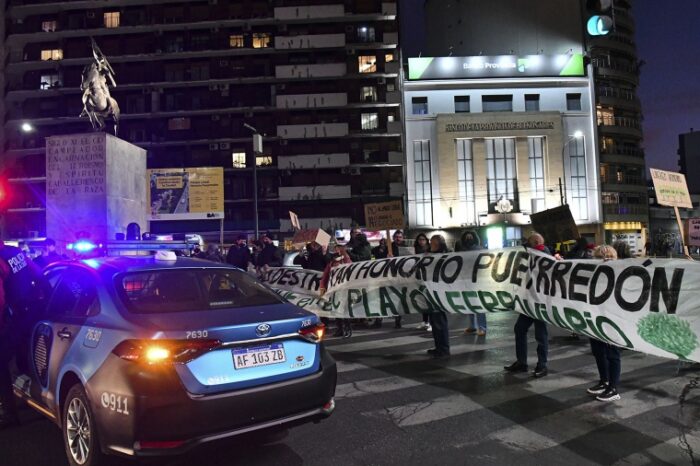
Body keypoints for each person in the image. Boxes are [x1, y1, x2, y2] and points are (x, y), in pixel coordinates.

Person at [0, 238, 48, 429]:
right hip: (36, 310)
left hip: (18, 314)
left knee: (1, 361)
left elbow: (1, 300)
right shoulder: (16, 252)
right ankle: (37, 397)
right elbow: (39, 274)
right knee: (28, 353)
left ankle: (10, 414)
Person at [504, 233, 550, 377]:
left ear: (535, 242)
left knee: (541, 335)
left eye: (528, 243)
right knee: (520, 329)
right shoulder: (534, 255)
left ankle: (542, 365)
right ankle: (522, 362)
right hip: (529, 301)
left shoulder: (544, 256)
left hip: (540, 302)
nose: (526, 246)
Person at [587, 245, 623, 402]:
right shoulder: (595, 273)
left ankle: (613, 388)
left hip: (612, 320)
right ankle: (605, 381)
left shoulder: (619, 273)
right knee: (598, 351)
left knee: (612, 354)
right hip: (596, 319)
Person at [457, 230, 487, 337]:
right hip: (466, 280)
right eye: (467, 237)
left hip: (477, 280)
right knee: (469, 303)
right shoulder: (462, 250)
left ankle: (482, 327)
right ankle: (472, 326)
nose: (468, 239)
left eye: (470, 237)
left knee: (478, 304)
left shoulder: (479, 249)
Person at [320, 244, 353, 338]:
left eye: (339, 250)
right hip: (334, 290)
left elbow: (350, 266)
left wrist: (344, 254)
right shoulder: (331, 263)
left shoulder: (346, 260)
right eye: (336, 250)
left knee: (344, 310)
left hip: (344, 289)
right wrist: (323, 287)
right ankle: (340, 329)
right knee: (336, 310)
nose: (337, 251)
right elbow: (325, 276)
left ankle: (347, 328)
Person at [426, 234, 451, 358]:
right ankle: (439, 347)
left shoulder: (446, 256)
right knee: (434, 321)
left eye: (434, 243)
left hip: (439, 293)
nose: (432, 245)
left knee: (439, 321)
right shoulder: (428, 255)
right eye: (431, 243)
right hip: (431, 292)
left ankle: (444, 349)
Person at [413, 233, 432, 331]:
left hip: (429, 278)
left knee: (429, 301)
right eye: (419, 239)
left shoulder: (430, 250)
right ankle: (425, 321)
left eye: (423, 239)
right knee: (422, 301)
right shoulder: (414, 250)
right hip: (419, 278)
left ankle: (431, 323)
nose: (421, 241)